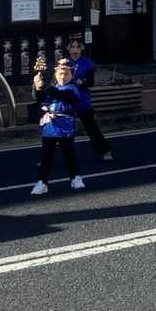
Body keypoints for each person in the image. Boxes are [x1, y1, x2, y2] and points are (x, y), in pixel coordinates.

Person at [30, 57, 88, 196]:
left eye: (66, 74)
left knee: (69, 154)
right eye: (60, 73)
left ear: (72, 74)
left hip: (65, 125)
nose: (62, 77)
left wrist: (44, 87)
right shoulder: (53, 87)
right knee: (46, 156)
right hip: (50, 125)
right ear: (55, 74)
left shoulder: (73, 88)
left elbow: (62, 95)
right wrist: (36, 86)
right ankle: (42, 182)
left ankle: (75, 177)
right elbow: (40, 98)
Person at [66, 36, 113, 161]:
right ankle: (46, 157)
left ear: (82, 48)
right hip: (67, 99)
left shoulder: (87, 64)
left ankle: (104, 151)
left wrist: (82, 82)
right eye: (72, 47)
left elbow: (91, 82)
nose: (75, 50)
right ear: (68, 49)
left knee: (91, 127)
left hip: (82, 99)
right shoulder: (63, 63)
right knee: (58, 128)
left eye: (77, 47)